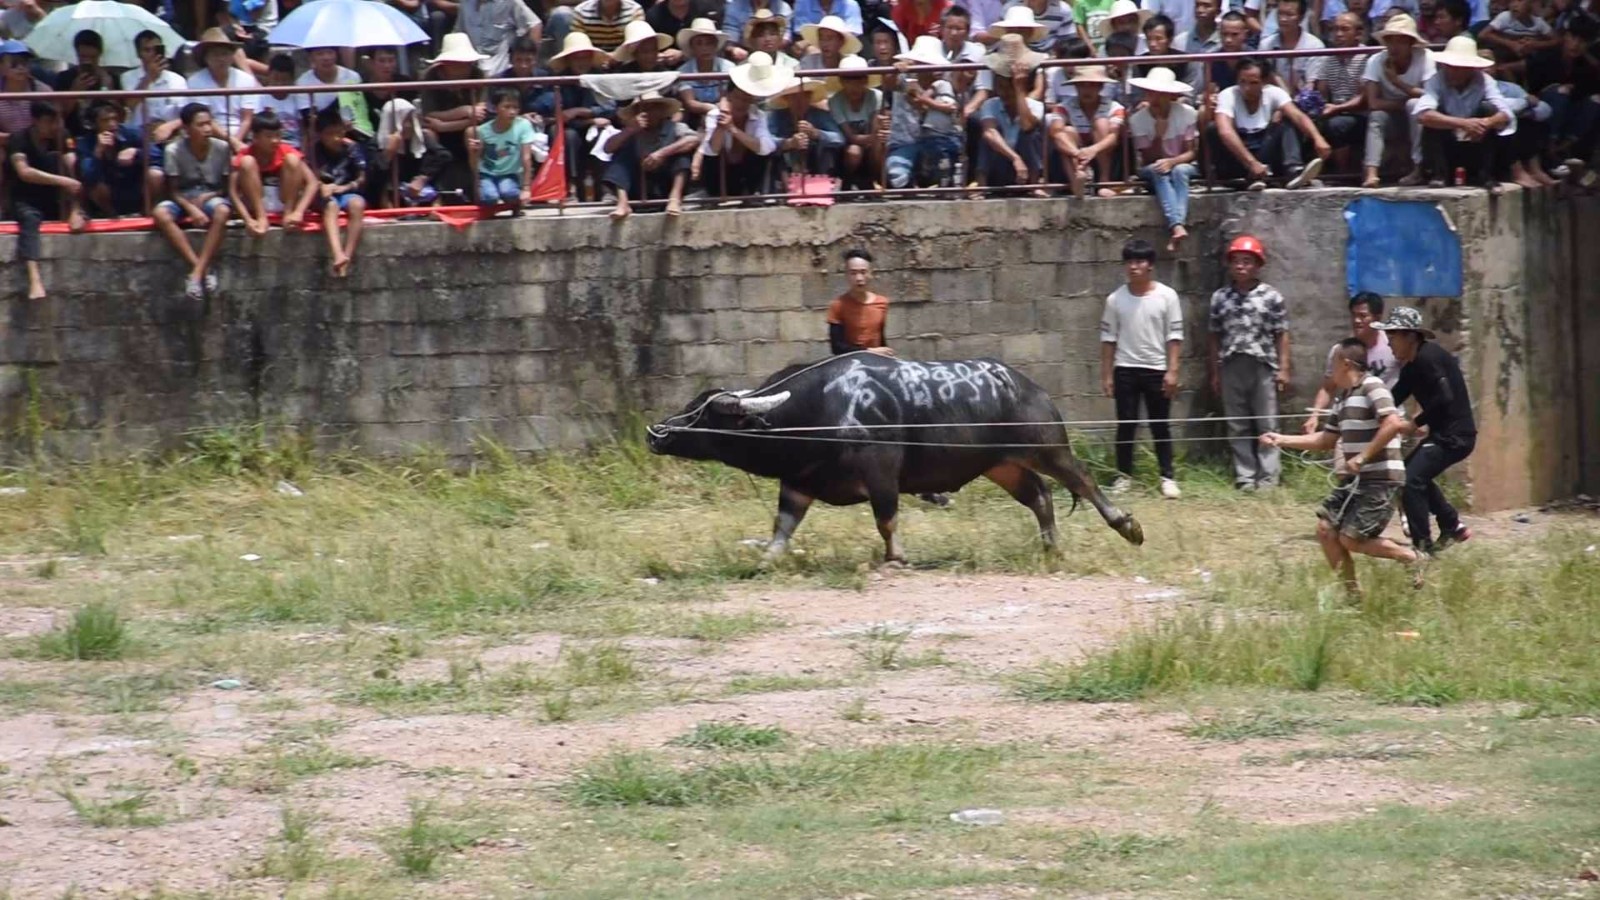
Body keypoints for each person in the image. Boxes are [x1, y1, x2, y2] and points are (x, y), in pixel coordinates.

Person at [1260, 339, 1421, 599]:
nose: (1329, 371)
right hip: (1356, 481)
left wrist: (1363, 457)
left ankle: (1411, 557)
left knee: (1351, 539)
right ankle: (1352, 596)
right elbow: (1326, 440)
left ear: (1345, 364)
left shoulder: (1373, 386)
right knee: (1326, 530)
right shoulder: (1343, 399)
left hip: (1381, 479)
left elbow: (1392, 423)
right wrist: (1281, 439)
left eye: (1332, 364)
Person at [1374, 306, 1476, 555]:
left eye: (1393, 338)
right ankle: (1451, 524)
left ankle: (1423, 549)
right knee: (1412, 474)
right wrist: (1363, 410)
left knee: (1410, 479)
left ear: (1411, 336)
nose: (1389, 345)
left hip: (1455, 437)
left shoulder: (1428, 357)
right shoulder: (1411, 368)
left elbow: (1445, 397)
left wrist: (1413, 424)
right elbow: (1391, 398)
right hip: (1444, 436)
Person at [1100, 239, 1185, 499]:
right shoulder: (1115, 299)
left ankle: (1167, 477)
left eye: (1139, 262)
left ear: (1150, 265)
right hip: (1125, 369)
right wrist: (1106, 375)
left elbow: (1175, 336)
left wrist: (1172, 371)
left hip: (1156, 369)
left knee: (1161, 425)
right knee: (1126, 425)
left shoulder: (1167, 296)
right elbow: (1108, 340)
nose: (1133, 267)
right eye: (1129, 262)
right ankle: (1124, 476)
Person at [1208, 234, 1289, 492]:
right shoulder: (1220, 298)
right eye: (1236, 261)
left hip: (1262, 365)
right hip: (1231, 364)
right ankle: (1245, 476)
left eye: (1247, 261)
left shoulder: (1271, 297)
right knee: (1237, 423)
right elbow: (1213, 336)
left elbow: (1282, 333)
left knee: (1266, 422)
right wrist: (1215, 372)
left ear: (1257, 265)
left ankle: (1268, 478)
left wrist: (1284, 368)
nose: (1241, 266)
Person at [1207, 56, 1330, 190]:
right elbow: (1225, 131)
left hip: (1264, 148)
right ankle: (1247, 177)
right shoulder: (1228, 95)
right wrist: (1251, 163)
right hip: (1239, 154)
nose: (1246, 88)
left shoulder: (1274, 93)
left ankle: (1294, 171)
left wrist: (1317, 138)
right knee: (1213, 128)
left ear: (1264, 82)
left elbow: (1298, 116)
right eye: (1242, 82)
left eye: (1253, 83)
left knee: (1287, 120)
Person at [154, 104, 235, 300]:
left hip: (211, 194)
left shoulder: (222, 148)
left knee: (222, 211)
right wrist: (190, 208)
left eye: (209, 123)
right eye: (201, 125)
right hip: (183, 197)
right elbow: (173, 190)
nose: (207, 129)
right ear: (187, 129)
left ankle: (196, 274)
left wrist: (206, 198)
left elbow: (225, 187)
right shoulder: (173, 150)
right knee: (160, 213)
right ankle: (201, 270)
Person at [6, 102, 83, 300]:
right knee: (29, 221)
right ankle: (35, 278)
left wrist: (75, 207)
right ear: (35, 121)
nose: (54, 126)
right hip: (26, 198)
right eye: (49, 122)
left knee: (69, 161)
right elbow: (24, 172)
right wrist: (62, 181)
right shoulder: (19, 139)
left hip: (57, 198)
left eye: (57, 121)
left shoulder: (62, 136)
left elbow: (73, 171)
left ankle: (78, 209)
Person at [1413, 35, 1514, 187]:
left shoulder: (1485, 81)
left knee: (1488, 109)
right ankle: (1439, 174)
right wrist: (1463, 123)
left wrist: (1485, 123)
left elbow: (1505, 114)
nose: (1453, 71)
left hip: (1476, 143)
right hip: (1448, 145)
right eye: (1450, 66)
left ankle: (1485, 174)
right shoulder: (1436, 80)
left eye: (1459, 67)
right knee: (1433, 118)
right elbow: (1423, 115)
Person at [1303, 292, 1399, 435]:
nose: (1357, 321)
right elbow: (1328, 388)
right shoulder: (1341, 351)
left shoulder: (1394, 346)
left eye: (1363, 316)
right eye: (1354, 315)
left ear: (1377, 318)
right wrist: (1315, 415)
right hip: (1354, 421)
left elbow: (1418, 378)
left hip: (1387, 419)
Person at [1129, 67, 1198, 253]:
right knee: (1158, 169)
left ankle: (1176, 224)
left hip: (1181, 164)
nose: (1155, 98)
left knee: (1179, 171)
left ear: (1170, 95)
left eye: (1160, 94)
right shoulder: (1138, 120)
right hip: (1154, 167)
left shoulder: (1187, 113)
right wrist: (1158, 136)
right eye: (1151, 93)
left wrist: (1172, 162)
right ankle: (1177, 224)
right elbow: (1148, 158)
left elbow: (1191, 153)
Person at [1361, 13, 1434, 187]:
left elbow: (1430, 96)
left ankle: (1418, 169)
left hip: (1420, 116)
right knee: (1377, 116)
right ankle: (1371, 173)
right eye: (1390, 40)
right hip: (1391, 117)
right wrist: (1405, 104)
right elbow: (1373, 103)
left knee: (1415, 105)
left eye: (1400, 41)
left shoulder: (1426, 58)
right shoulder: (1375, 61)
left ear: (1410, 42)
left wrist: (1397, 82)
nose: (1394, 46)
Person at [602, 91, 698, 218]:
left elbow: (693, 139)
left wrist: (662, 153)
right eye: (643, 109)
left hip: (665, 181)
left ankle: (674, 199)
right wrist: (630, 130)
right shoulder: (631, 131)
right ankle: (623, 202)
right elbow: (608, 148)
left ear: (661, 111)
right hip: (639, 184)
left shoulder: (675, 127)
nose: (647, 113)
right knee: (622, 154)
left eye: (652, 108)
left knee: (682, 157)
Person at [886, 35, 962, 187]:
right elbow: (888, 83)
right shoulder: (904, 78)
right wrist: (895, 70)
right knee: (897, 177)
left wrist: (921, 98)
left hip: (934, 143)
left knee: (938, 174)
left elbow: (930, 108)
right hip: (904, 142)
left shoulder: (943, 84)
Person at [229, 110, 317, 237]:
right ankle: (261, 217)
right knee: (247, 162)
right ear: (255, 138)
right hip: (256, 203)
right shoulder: (245, 153)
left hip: (283, 199)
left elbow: (312, 183)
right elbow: (232, 192)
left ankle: (288, 214)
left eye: (278, 135)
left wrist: (299, 211)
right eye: (269, 136)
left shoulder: (286, 150)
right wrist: (247, 219)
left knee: (293, 159)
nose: (275, 140)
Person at [310, 107, 368, 278]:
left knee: (358, 204)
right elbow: (311, 175)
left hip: (345, 190)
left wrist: (344, 188)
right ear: (320, 134)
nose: (336, 138)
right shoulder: (315, 150)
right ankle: (337, 253)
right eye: (330, 134)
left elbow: (362, 177)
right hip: (325, 195)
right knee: (331, 206)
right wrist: (321, 186)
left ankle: (347, 256)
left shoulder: (352, 148)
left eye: (339, 133)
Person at [979, 44, 1046, 190]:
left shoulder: (1035, 105)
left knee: (1031, 135)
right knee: (987, 138)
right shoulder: (990, 105)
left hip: (1027, 168)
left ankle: (1035, 186)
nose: (1004, 92)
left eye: (1009, 88)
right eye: (1000, 86)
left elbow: (1026, 126)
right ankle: (981, 185)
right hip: (1002, 164)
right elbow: (989, 132)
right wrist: (1015, 158)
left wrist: (1019, 89)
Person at [187, 28, 262, 151]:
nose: (221, 58)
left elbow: (247, 118)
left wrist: (237, 142)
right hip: (209, 135)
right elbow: (205, 118)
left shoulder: (246, 80)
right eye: (216, 54)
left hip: (243, 136)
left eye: (225, 53)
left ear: (232, 56)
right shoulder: (195, 81)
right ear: (206, 57)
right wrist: (232, 142)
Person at [77, 102, 150, 218]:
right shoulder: (85, 143)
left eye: (114, 119)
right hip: (110, 190)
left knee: (155, 174)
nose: (112, 124)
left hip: (134, 184)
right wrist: (98, 152)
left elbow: (157, 154)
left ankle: (145, 213)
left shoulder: (132, 132)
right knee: (95, 187)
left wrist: (137, 153)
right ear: (94, 124)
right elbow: (87, 177)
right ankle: (113, 217)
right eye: (105, 120)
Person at [470, 87, 537, 213]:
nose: (512, 112)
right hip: (487, 174)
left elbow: (526, 158)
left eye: (515, 107)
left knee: (509, 192)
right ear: (495, 108)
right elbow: (475, 162)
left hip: (510, 174)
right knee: (490, 197)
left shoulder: (523, 125)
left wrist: (526, 188)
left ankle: (515, 205)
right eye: (506, 107)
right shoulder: (482, 131)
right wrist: (474, 151)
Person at [825, 55, 885, 191]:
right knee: (854, 152)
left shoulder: (876, 96)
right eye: (848, 79)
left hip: (871, 150)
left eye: (858, 78)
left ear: (865, 80)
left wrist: (876, 136)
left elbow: (875, 130)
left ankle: (879, 180)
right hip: (845, 152)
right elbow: (850, 137)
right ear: (841, 81)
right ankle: (847, 181)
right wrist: (873, 137)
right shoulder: (835, 101)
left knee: (881, 144)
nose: (854, 85)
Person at [676, 17, 735, 128]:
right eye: (699, 43)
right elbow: (690, 103)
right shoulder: (683, 71)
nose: (705, 48)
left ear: (715, 46)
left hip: (723, 114)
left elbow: (726, 97)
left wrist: (716, 112)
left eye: (709, 43)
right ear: (692, 47)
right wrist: (711, 109)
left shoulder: (728, 68)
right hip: (694, 118)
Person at [258, 54, 307, 150]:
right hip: (270, 147)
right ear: (268, 76)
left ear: (292, 80)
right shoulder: (260, 97)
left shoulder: (297, 97)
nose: (279, 84)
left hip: (294, 147)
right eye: (276, 79)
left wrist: (303, 152)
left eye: (284, 80)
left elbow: (303, 131)